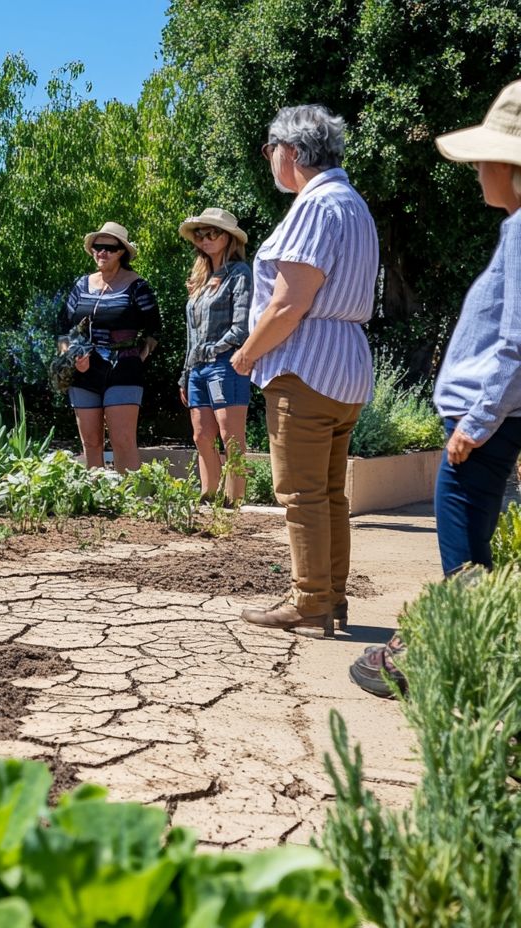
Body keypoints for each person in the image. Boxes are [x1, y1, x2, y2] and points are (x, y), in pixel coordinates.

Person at [352, 80, 521, 696]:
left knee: (464, 562)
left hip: (484, 424)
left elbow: (514, 343)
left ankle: (458, 671)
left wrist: (475, 424)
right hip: (493, 419)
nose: (478, 169)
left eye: (486, 158)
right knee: (470, 554)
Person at [230, 104, 379, 639]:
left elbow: (289, 305)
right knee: (328, 493)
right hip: (344, 366)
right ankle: (327, 596)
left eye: (270, 149)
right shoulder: (353, 204)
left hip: (306, 364)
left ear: (292, 151)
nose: (269, 160)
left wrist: (247, 354)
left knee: (300, 493)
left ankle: (311, 603)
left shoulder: (316, 207)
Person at [58, 222, 161, 472]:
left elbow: (154, 330)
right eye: (97, 247)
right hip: (84, 373)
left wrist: (137, 356)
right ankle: (98, 500)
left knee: (122, 440)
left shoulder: (138, 287)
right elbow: (61, 329)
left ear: (121, 252)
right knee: (90, 442)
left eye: (109, 248)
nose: (101, 253)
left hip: (124, 369)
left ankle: (133, 501)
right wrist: (70, 357)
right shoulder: (80, 285)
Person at [178, 208, 252, 502]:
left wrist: (213, 349)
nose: (205, 239)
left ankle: (235, 501)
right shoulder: (199, 278)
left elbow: (241, 327)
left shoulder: (239, 274)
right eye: (200, 234)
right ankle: (209, 496)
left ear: (228, 238)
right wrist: (185, 373)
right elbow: (191, 333)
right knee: (201, 435)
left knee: (230, 436)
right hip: (197, 368)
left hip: (226, 364)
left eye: (213, 233)